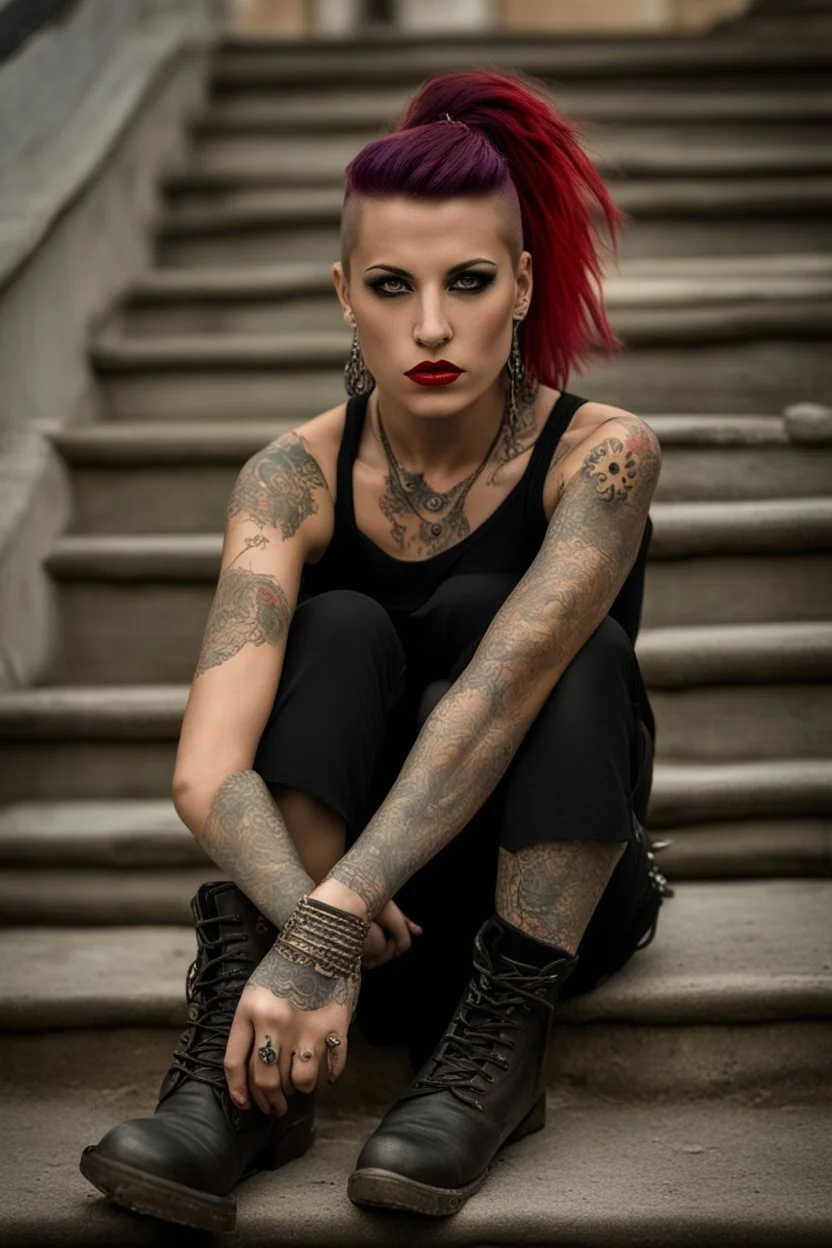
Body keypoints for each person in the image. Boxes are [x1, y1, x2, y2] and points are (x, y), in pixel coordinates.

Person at [79, 66, 673, 1232]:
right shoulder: (287, 477)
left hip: (527, 909)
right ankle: (245, 1087)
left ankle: (494, 1058)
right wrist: (309, 915)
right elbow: (205, 768)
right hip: (337, 916)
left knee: (559, 650)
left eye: (467, 283)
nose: (433, 326)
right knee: (341, 624)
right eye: (393, 288)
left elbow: (495, 703)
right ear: (344, 294)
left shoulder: (599, 456)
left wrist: (334, 909)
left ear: (522, 284)